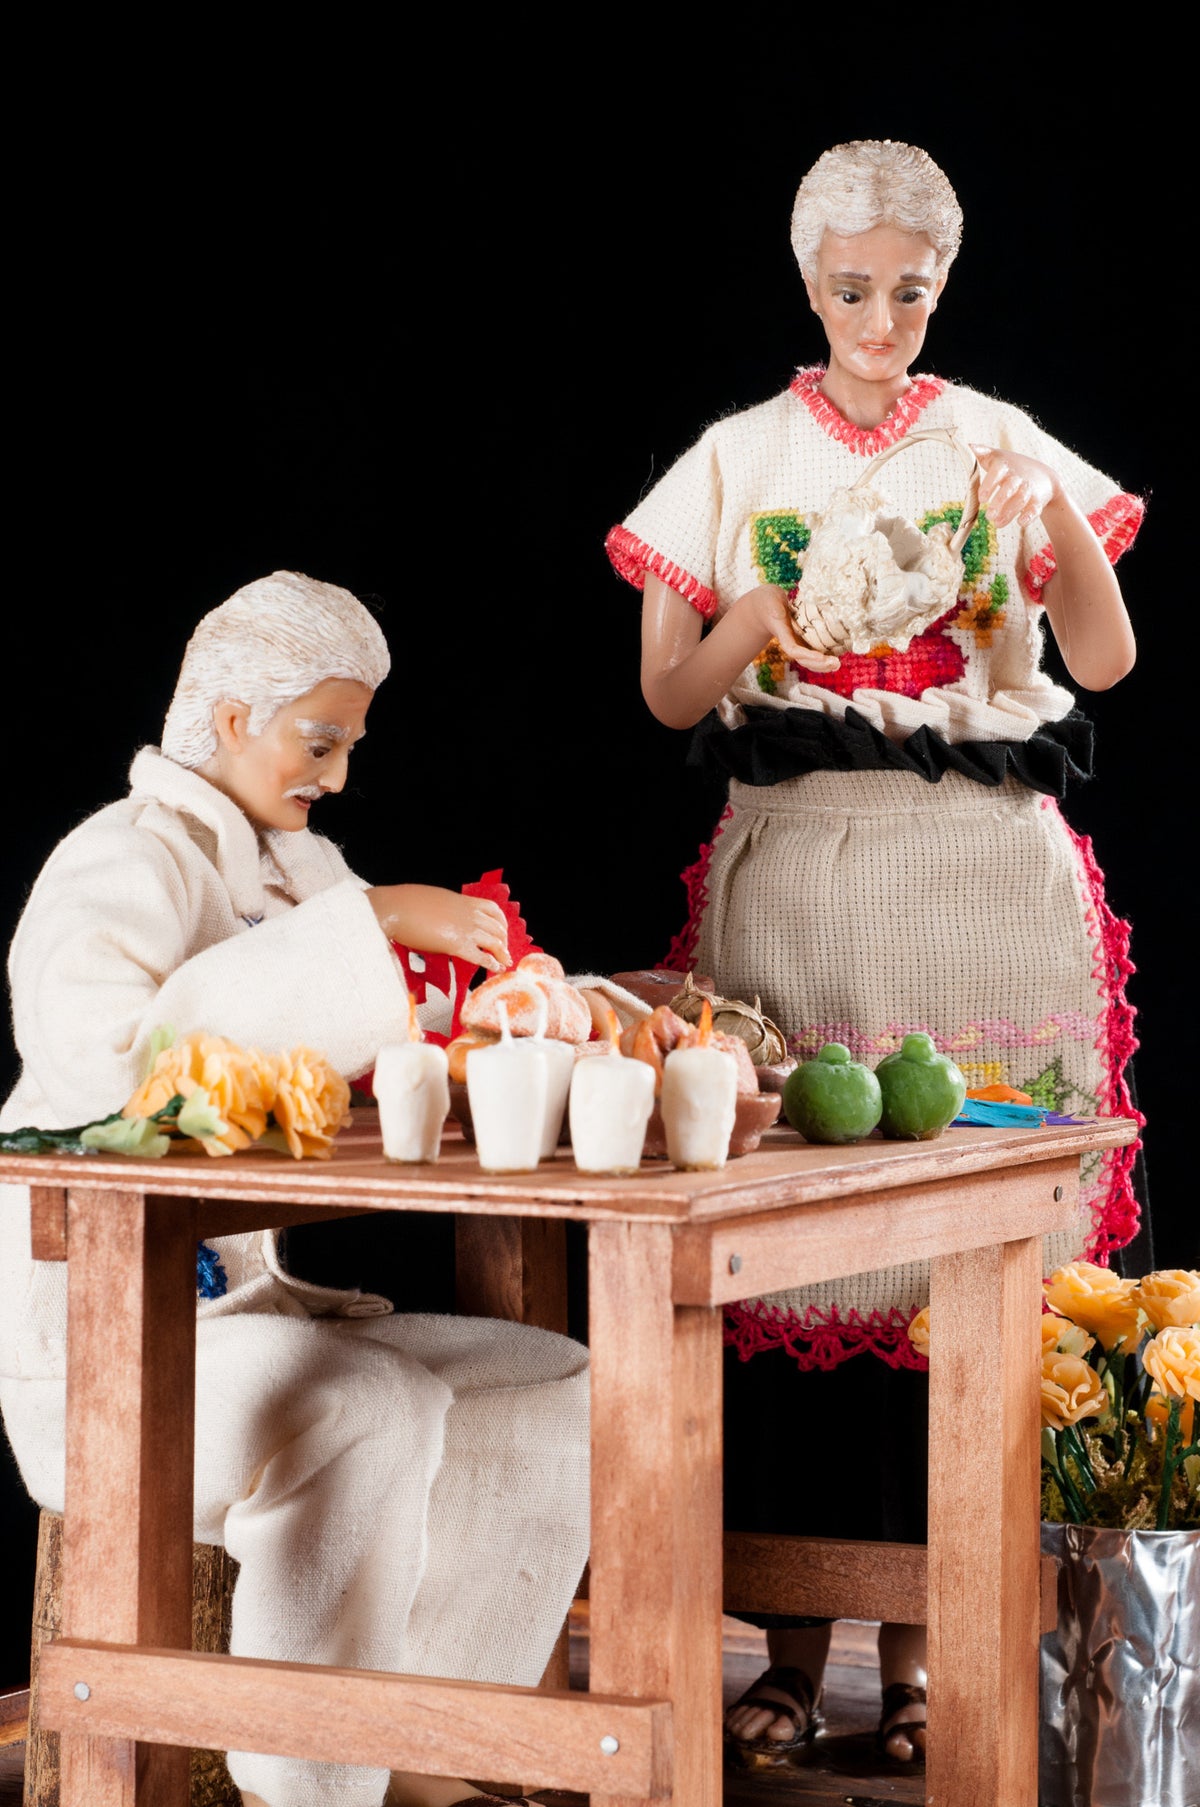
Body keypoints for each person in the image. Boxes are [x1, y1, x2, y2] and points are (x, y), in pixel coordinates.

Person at [605, 140, 1144, 1771]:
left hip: (980, 868)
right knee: (795, 1264)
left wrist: (1048, 515)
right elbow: (668, 693)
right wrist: (755, 627)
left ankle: (924, 1661)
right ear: (805, 278)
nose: (881, 316)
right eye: (852, 286)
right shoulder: (739, 454)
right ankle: (790, 1653)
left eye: (910, 288)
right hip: (806, 876)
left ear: (942, 284)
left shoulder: (992, 441)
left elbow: (1104, 654)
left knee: (950, 1277)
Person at [0, 570, 590, 1807]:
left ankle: (435, 1753)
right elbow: (120, 1077)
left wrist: (523, 1000)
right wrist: (368, 921)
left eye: (347, 744)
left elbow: (380, 1027)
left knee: (555, 1383)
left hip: (254, 1316)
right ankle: (304, 1779)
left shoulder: (298, 868)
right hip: (112, 1343)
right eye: (315, 739)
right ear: (228, 718)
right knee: (366, 1404)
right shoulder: (114, 864)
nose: (332, 772)